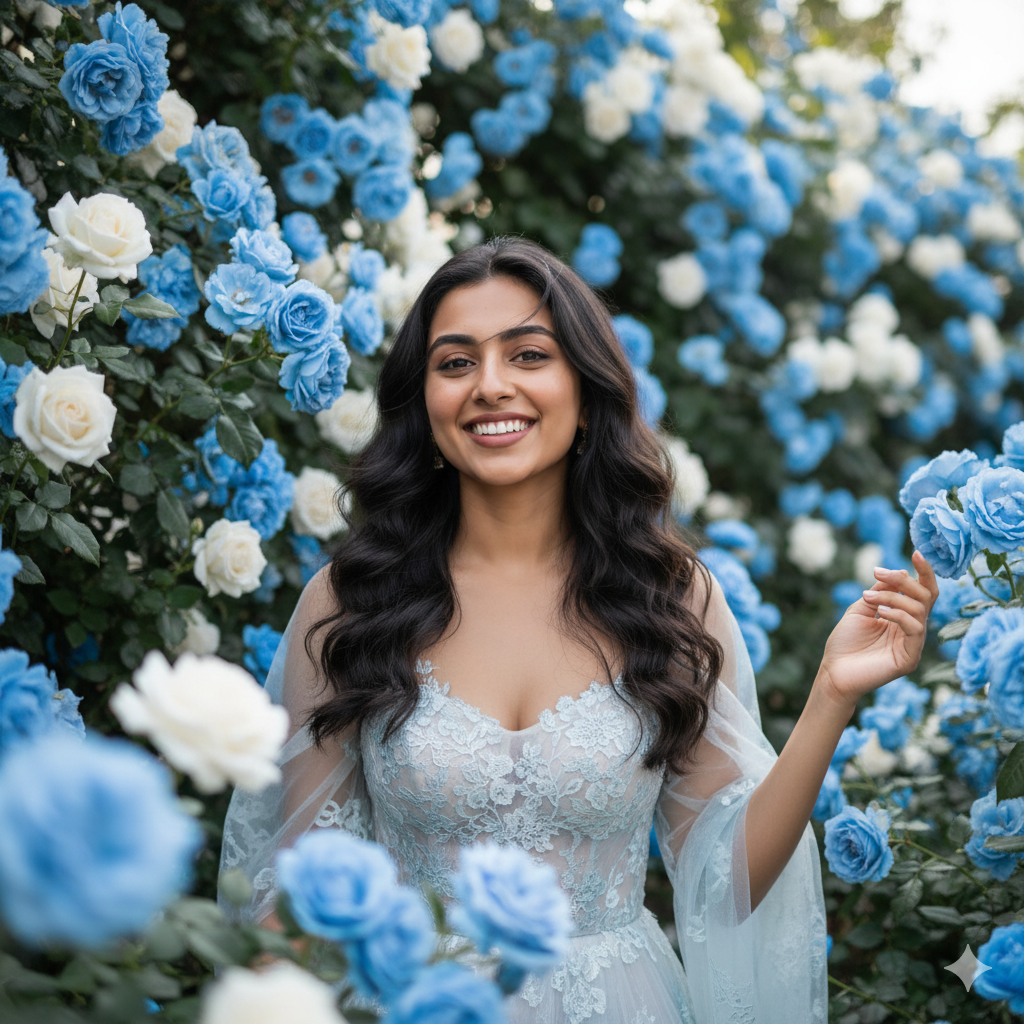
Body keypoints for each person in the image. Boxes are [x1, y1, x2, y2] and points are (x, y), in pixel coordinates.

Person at [220, 237, 938, 1024]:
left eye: (528, 355)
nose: (490, 387)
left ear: (586, 390)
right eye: (455, 363)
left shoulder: (668, 597)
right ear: (422, 404)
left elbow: (725, 881)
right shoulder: (352, 600)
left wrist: (832, 696)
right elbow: (288, 894)